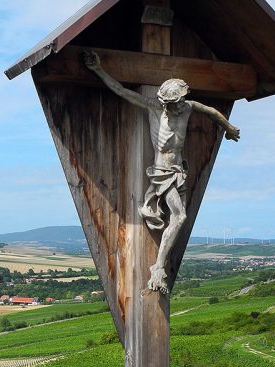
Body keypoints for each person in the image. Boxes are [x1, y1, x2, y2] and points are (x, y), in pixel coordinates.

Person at [84, 50, 240, 294]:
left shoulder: (188, 107)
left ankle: (160, 266)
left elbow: (211, 111)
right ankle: (158, 268)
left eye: (180, 101)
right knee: (180, 217)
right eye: (174, 103)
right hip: (162, 172)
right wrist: (98, 70)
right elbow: (122, 92)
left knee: (178, 220)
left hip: (180, 171)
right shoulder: (154, 109)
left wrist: (228, 128)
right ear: (166, 102)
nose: (178, 106)